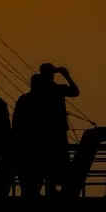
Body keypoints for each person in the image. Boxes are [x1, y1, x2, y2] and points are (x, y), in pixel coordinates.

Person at [36, 64, 79, 195]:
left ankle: (46, 191)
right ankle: (59, 192)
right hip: (58, 136)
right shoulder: (57, 89)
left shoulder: (36, 92)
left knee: (45, 167)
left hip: (41, 137)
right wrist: (67, 77)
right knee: (62, 165)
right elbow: (75, 91)